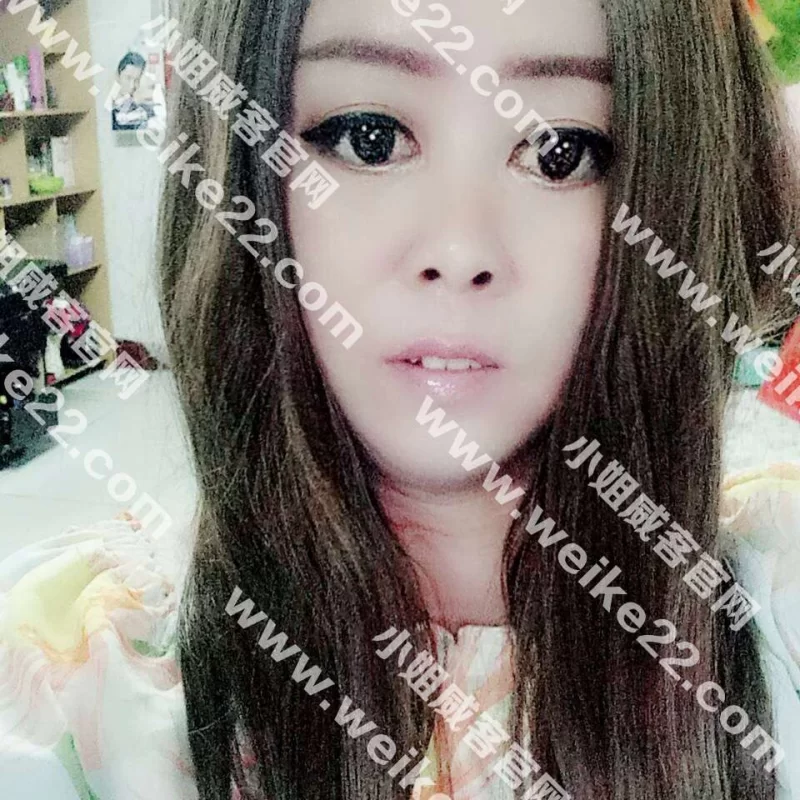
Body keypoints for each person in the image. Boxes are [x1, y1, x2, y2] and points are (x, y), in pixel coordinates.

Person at [1, 0, 799, 798]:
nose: (459, 248)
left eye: (562, 153)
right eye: (369, 138)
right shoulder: (74, 683)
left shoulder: (775, 615)